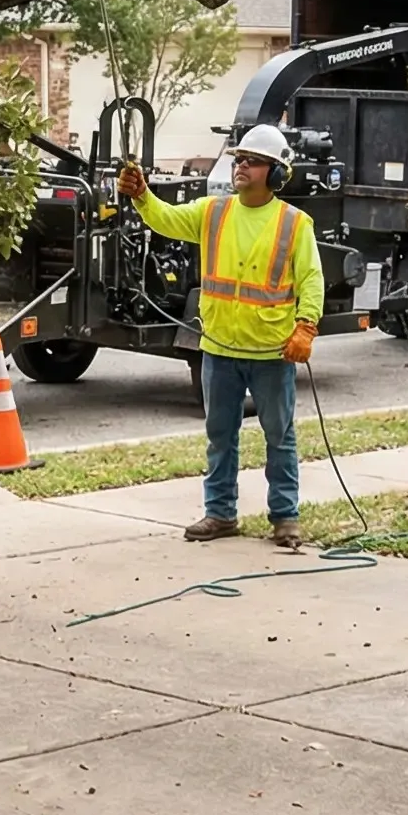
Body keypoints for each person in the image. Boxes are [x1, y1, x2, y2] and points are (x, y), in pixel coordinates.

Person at [117, 124, 323, 548]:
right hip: (219, 349)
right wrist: (141, 195)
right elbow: (166, 219)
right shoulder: (214, 212)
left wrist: (306, 326)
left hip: (271, 353)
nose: (240, 166)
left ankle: (285, 518)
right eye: (238, 159)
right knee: (220, 437)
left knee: (279, 437)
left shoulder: (294, 224)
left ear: (276, 172)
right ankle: (220, 514)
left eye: (251, 160)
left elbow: (311, 279)